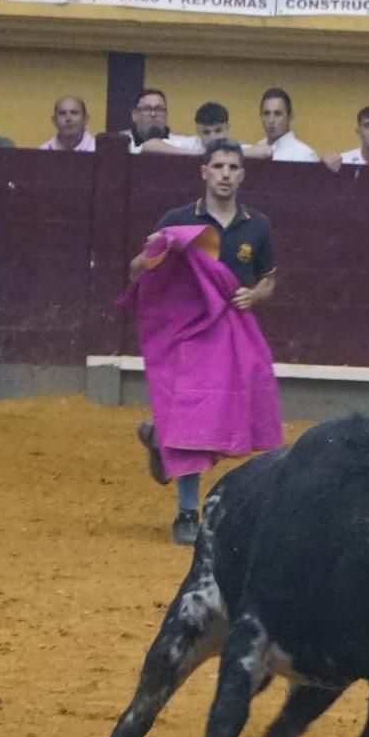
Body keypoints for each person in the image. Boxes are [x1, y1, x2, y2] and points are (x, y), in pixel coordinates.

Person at [125, 139, 283, 544]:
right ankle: (186, 513)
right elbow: (137, 270)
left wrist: (256, 294)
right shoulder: (178, 219)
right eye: (218, 166)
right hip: (188, 331)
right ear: (204, 172)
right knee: (196, 417)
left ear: (243, 174)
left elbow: (268, 279)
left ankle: (162, 438)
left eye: (233, 167)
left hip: (233, 327)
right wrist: (154, 253)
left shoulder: (257, 226)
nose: (226, 174)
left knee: (240, 411)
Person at [243, 88, 319, 162]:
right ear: (261, 116)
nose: (271, 120)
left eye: (277, 114)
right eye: (266, 113)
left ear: (289, 117)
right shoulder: (253, 151)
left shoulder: (304, 155)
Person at [141, 102, 225, 155]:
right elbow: (148, 145)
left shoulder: (237, 149)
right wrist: (196, 153)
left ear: (227, 127)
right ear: (198, 131)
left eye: (218, 131)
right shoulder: (189, 144)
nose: (213, 137)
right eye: (206, 132)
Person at [119, 87, 172, 151]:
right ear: (134, 115)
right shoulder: (118, 144)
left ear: (166, 114)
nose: (153, 114)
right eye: (147, 109)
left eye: (159, 109)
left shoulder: (183, 144)